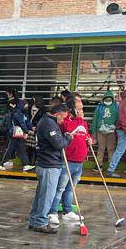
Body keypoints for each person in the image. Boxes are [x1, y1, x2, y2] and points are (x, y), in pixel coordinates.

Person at [28, 102, 79, 233]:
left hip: (46, 163)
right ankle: (40, 222)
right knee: (47, 196)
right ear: (57, 114)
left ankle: (35, 220)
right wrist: (68, 138)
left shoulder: (46, 122)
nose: (63, 121)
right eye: (63, 118)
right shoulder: (49, 124)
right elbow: (58, 143)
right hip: (48, 164)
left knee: (41, 195)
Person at [48, 93, 89, 225]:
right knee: (60, 187)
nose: (81, 111)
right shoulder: (66, 122)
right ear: (71, 109)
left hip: (80, 160)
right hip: (68, 159)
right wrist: (75, 119)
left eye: (82, 109)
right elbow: (67, 132)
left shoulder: (83, 122)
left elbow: (85, 134)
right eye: (79, 108)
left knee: (71, 188)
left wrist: (89, 139)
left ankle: (67, 211)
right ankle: (52, 212)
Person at [0, 97, 33, 171]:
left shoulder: (21, 113)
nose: (26, 106)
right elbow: (21, 123)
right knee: (9, 149)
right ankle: (0, 163)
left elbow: (26, 122)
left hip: (17, 134)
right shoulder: (17, 113)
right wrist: (26, 131)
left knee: (21, 149)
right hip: (14, 134)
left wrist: (30, 128)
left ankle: (26, 164)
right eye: (25, 105)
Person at [92, 90, 119, 166]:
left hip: (112, 131)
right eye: (106, 100)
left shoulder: (116, 107)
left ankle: (111, 165)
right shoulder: (99, 107)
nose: (108, 101)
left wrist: (116, 129)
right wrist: (94, 133)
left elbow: (118, 119)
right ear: (103, 99)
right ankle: (99, 164)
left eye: (109, 100)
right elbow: (95, 120)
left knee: (111, 148)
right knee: (101, 148)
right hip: (100, 131)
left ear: (112, 99)